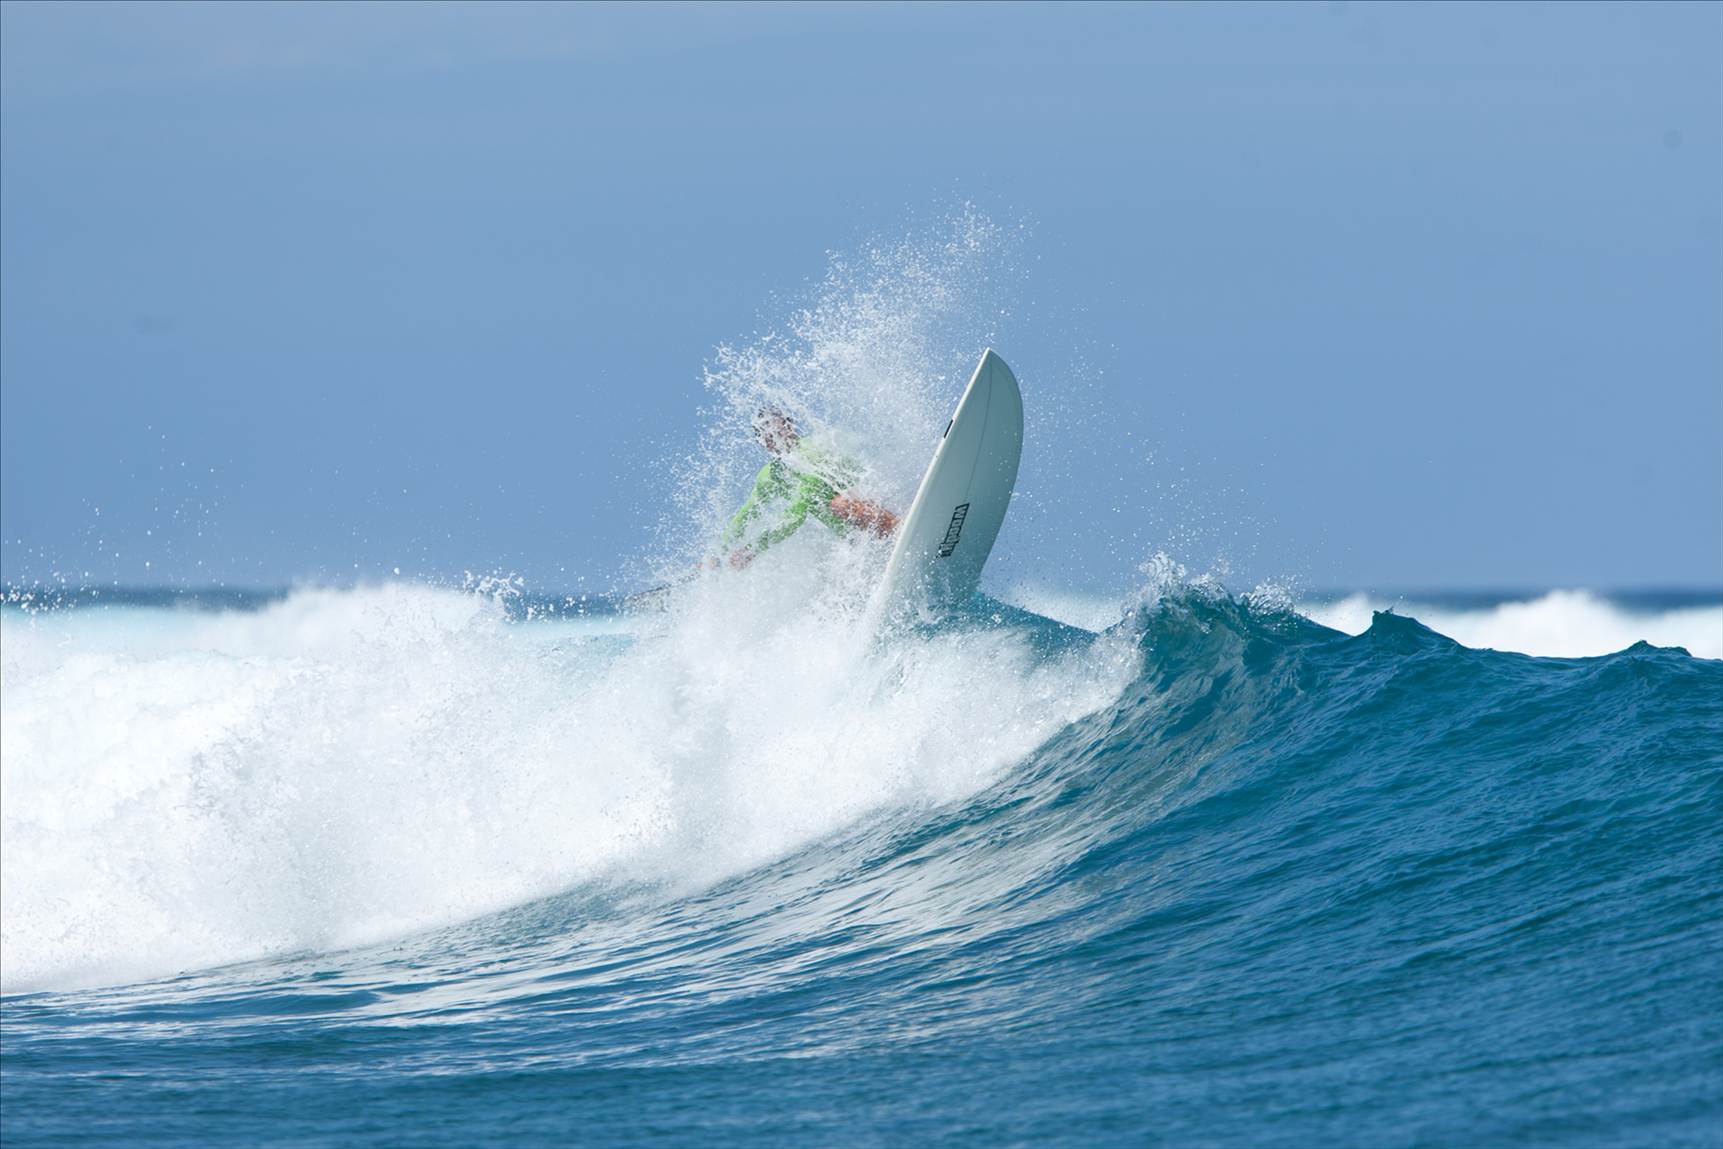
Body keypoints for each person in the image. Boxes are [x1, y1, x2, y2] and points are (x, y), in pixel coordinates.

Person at [719, 407, 898, 568]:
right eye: (765, 434)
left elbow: (795, 516)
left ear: (789, 426)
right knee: (830, 562)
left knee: (839, 504)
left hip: (875, 503)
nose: (773, 436)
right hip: (852, 535)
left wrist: (752, 549)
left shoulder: (812, 451)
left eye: (777, 428)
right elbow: (746, 514)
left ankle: (896, 527)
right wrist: (720, 553)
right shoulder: (771, 475)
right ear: (762, 442)